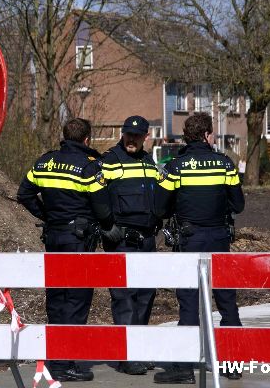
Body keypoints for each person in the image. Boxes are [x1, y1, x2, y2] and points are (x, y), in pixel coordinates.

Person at [17, 118, 122, 382]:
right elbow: (101, 207)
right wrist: (109, 225)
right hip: (79, 240)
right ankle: (66, 363)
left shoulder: (45, 162)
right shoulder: (88, 167)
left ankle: (55, 359)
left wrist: (48, 216)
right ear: (87, 139)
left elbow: (24, 194)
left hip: (54, 236)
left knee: (56, 299)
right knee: (76, 300)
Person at [154, 113, 245, 384]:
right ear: (206, 134)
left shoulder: (175, 167)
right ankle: (233, 362)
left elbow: (159, 207)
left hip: (188, 241)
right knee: (227, 303)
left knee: (189, 305)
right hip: (218, 239)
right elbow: (238, 205)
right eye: (213, 133)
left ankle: (184, 367)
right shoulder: (225, 164)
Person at [100, 115, 160, 376]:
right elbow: (93, 195)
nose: (132, 139)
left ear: (146, 136)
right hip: (121, 241)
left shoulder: (149, 161)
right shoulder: (109, 160)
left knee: (146, 296)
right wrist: (105, 225)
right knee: (125, 299)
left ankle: (139, 351)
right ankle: (126, 356)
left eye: (137, 135)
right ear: (123, 134)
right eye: (128, 134)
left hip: (147, 240)